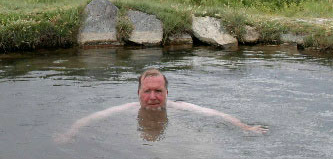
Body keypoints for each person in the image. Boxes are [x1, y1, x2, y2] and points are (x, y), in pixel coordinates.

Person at [54, 68, 267, 143]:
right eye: (148, 91)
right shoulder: (126, 110)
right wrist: (69, 133)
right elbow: (91, 119)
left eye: (159, 91)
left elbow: (215, 114)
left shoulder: (180, 107)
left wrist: (245, 127)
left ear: (167, 93)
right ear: (138, 94)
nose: (153, 96)